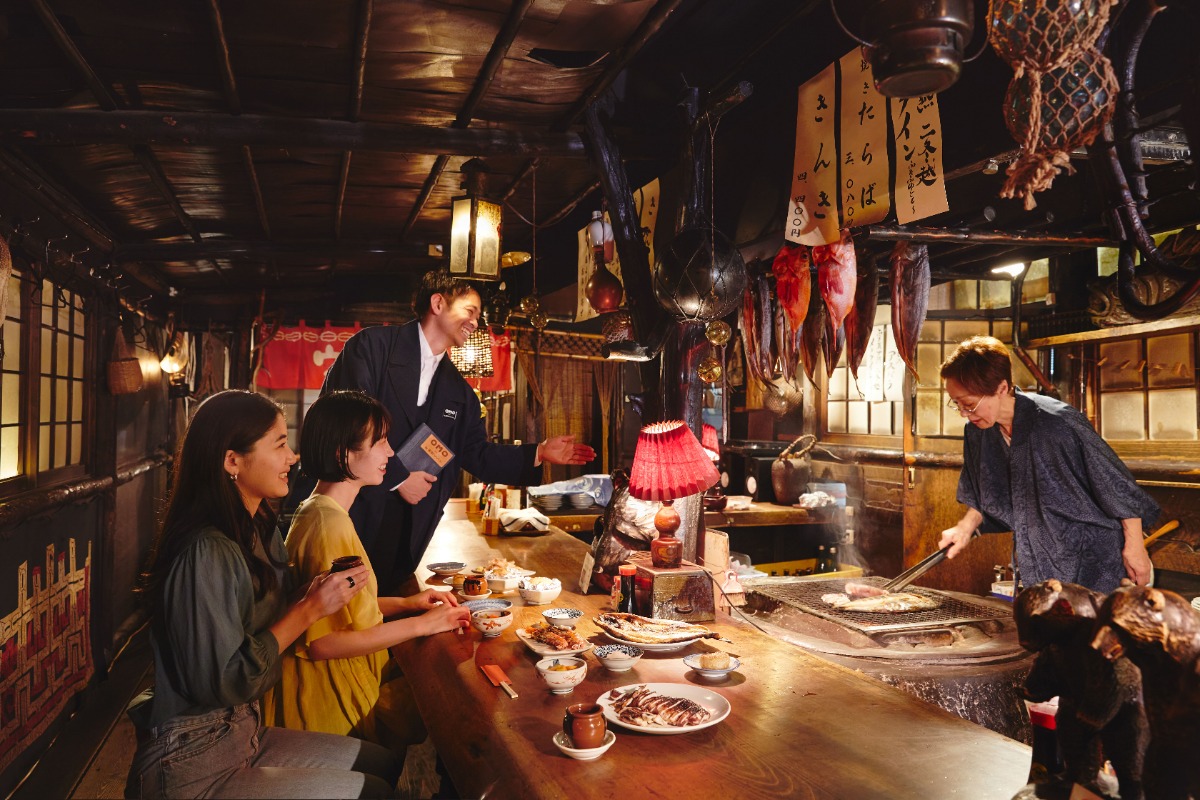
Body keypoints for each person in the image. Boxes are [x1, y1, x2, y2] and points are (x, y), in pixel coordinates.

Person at [125, 390, 401, 799]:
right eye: (280, 445)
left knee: (382, 763)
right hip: (191, 757)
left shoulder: (255, 529)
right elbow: (225, 681)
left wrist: (306, 596)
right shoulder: (206, 549)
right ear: (232, 460)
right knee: (373, 792)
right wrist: (307, 610)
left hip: (242, 731)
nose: (292, 457)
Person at [288, 269, 595, 592]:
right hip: (351, 511)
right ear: (437, 303)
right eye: (470, 311)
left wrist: (539, 452)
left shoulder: (459, 391)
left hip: (405, 529)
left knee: (381, 606)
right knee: (331, 605)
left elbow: (477, 453)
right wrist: (400, 479)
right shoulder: (373, 347)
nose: (475, 322)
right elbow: (343, 423)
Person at [262, 390, 471, 746]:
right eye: (381, 442)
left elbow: (345, 607)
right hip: (326, 702)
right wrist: (422, 624)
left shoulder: (320, 510)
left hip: (335, 687)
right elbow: (323, 643)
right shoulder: (330, 524)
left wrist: (408, 604)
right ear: (344, 453)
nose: (391, 452)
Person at [937, 336, 1159, 593]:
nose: (965, 413)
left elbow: (1116, 485)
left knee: (1090, 629)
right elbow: (987, 494)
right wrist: (963, 530)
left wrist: (1135, 548)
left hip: (1093, 558)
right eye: (957, 404)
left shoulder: (1058, 422)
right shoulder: (978, 432)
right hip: (1040, 559)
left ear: (1001, 388)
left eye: (969, 404)